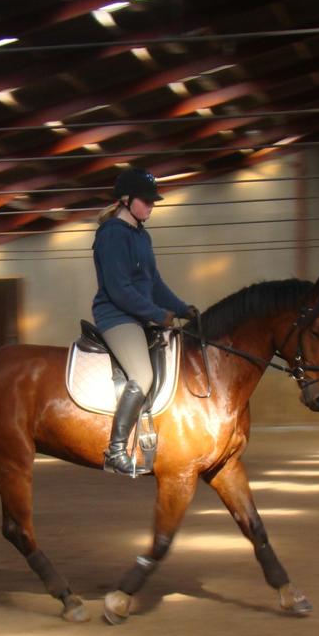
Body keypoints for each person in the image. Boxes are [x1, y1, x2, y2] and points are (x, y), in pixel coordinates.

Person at [91, 167, 197, 476]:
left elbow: (155, 284)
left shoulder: (142, 235)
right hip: (117, 316)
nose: (151, 206)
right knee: (142, 374)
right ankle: (115, 450)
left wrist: (181, 308)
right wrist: (157, 314)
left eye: (153, 201)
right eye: (146, 201)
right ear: (126, 200)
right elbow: (119, 290)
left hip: (140, 315)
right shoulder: (111, 235)